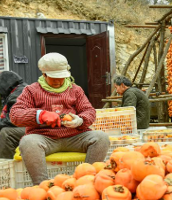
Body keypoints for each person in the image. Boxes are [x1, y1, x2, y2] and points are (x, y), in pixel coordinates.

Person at [10, 52, 109, 185]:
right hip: (44, 138)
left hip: (75, 136)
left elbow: (89, 111)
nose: (58, 81)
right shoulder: (31, 91)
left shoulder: (75, 90)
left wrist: (80, 120)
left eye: (61, 77)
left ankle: (86, 181)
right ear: (44, 74)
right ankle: (42, 186)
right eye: (53, 77)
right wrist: (40, 115)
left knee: (101, 138)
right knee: (28, 142)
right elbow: (15, 115)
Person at [0, 71, 27, 159]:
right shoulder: (18, 90)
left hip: (35, 128)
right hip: (29, 125)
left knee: (6, 133)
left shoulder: (18, 93)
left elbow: (14, 119)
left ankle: (1, 164)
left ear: (7, 85)